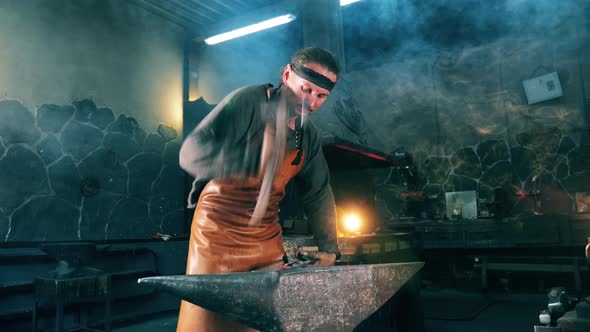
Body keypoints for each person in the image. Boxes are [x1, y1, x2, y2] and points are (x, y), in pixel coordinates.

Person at [177, 47, 342, 331]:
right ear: (288, 75)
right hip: (218, 231)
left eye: (321, 95)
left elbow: (319, 192)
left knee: (265, 321)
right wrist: (234, 163)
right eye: (306, 89)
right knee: (206, 321)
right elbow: (191, 150)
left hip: (266, 236)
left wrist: (329, 249)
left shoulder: (308, 136)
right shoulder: (246, 102)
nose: (311, 102)